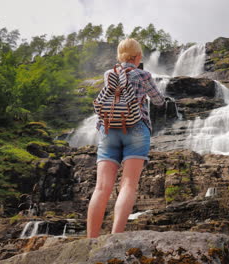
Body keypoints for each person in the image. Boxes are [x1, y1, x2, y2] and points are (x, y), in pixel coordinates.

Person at [87, 38, 165, 238]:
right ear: (138, 57)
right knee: (128, 184)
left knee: (102, 187)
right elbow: (158, 101)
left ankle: (90, 240)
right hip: (136, 128)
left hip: (108, 128)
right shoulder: (143, 74)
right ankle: (115, 237)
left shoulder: (109, 74)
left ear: (119, 56)